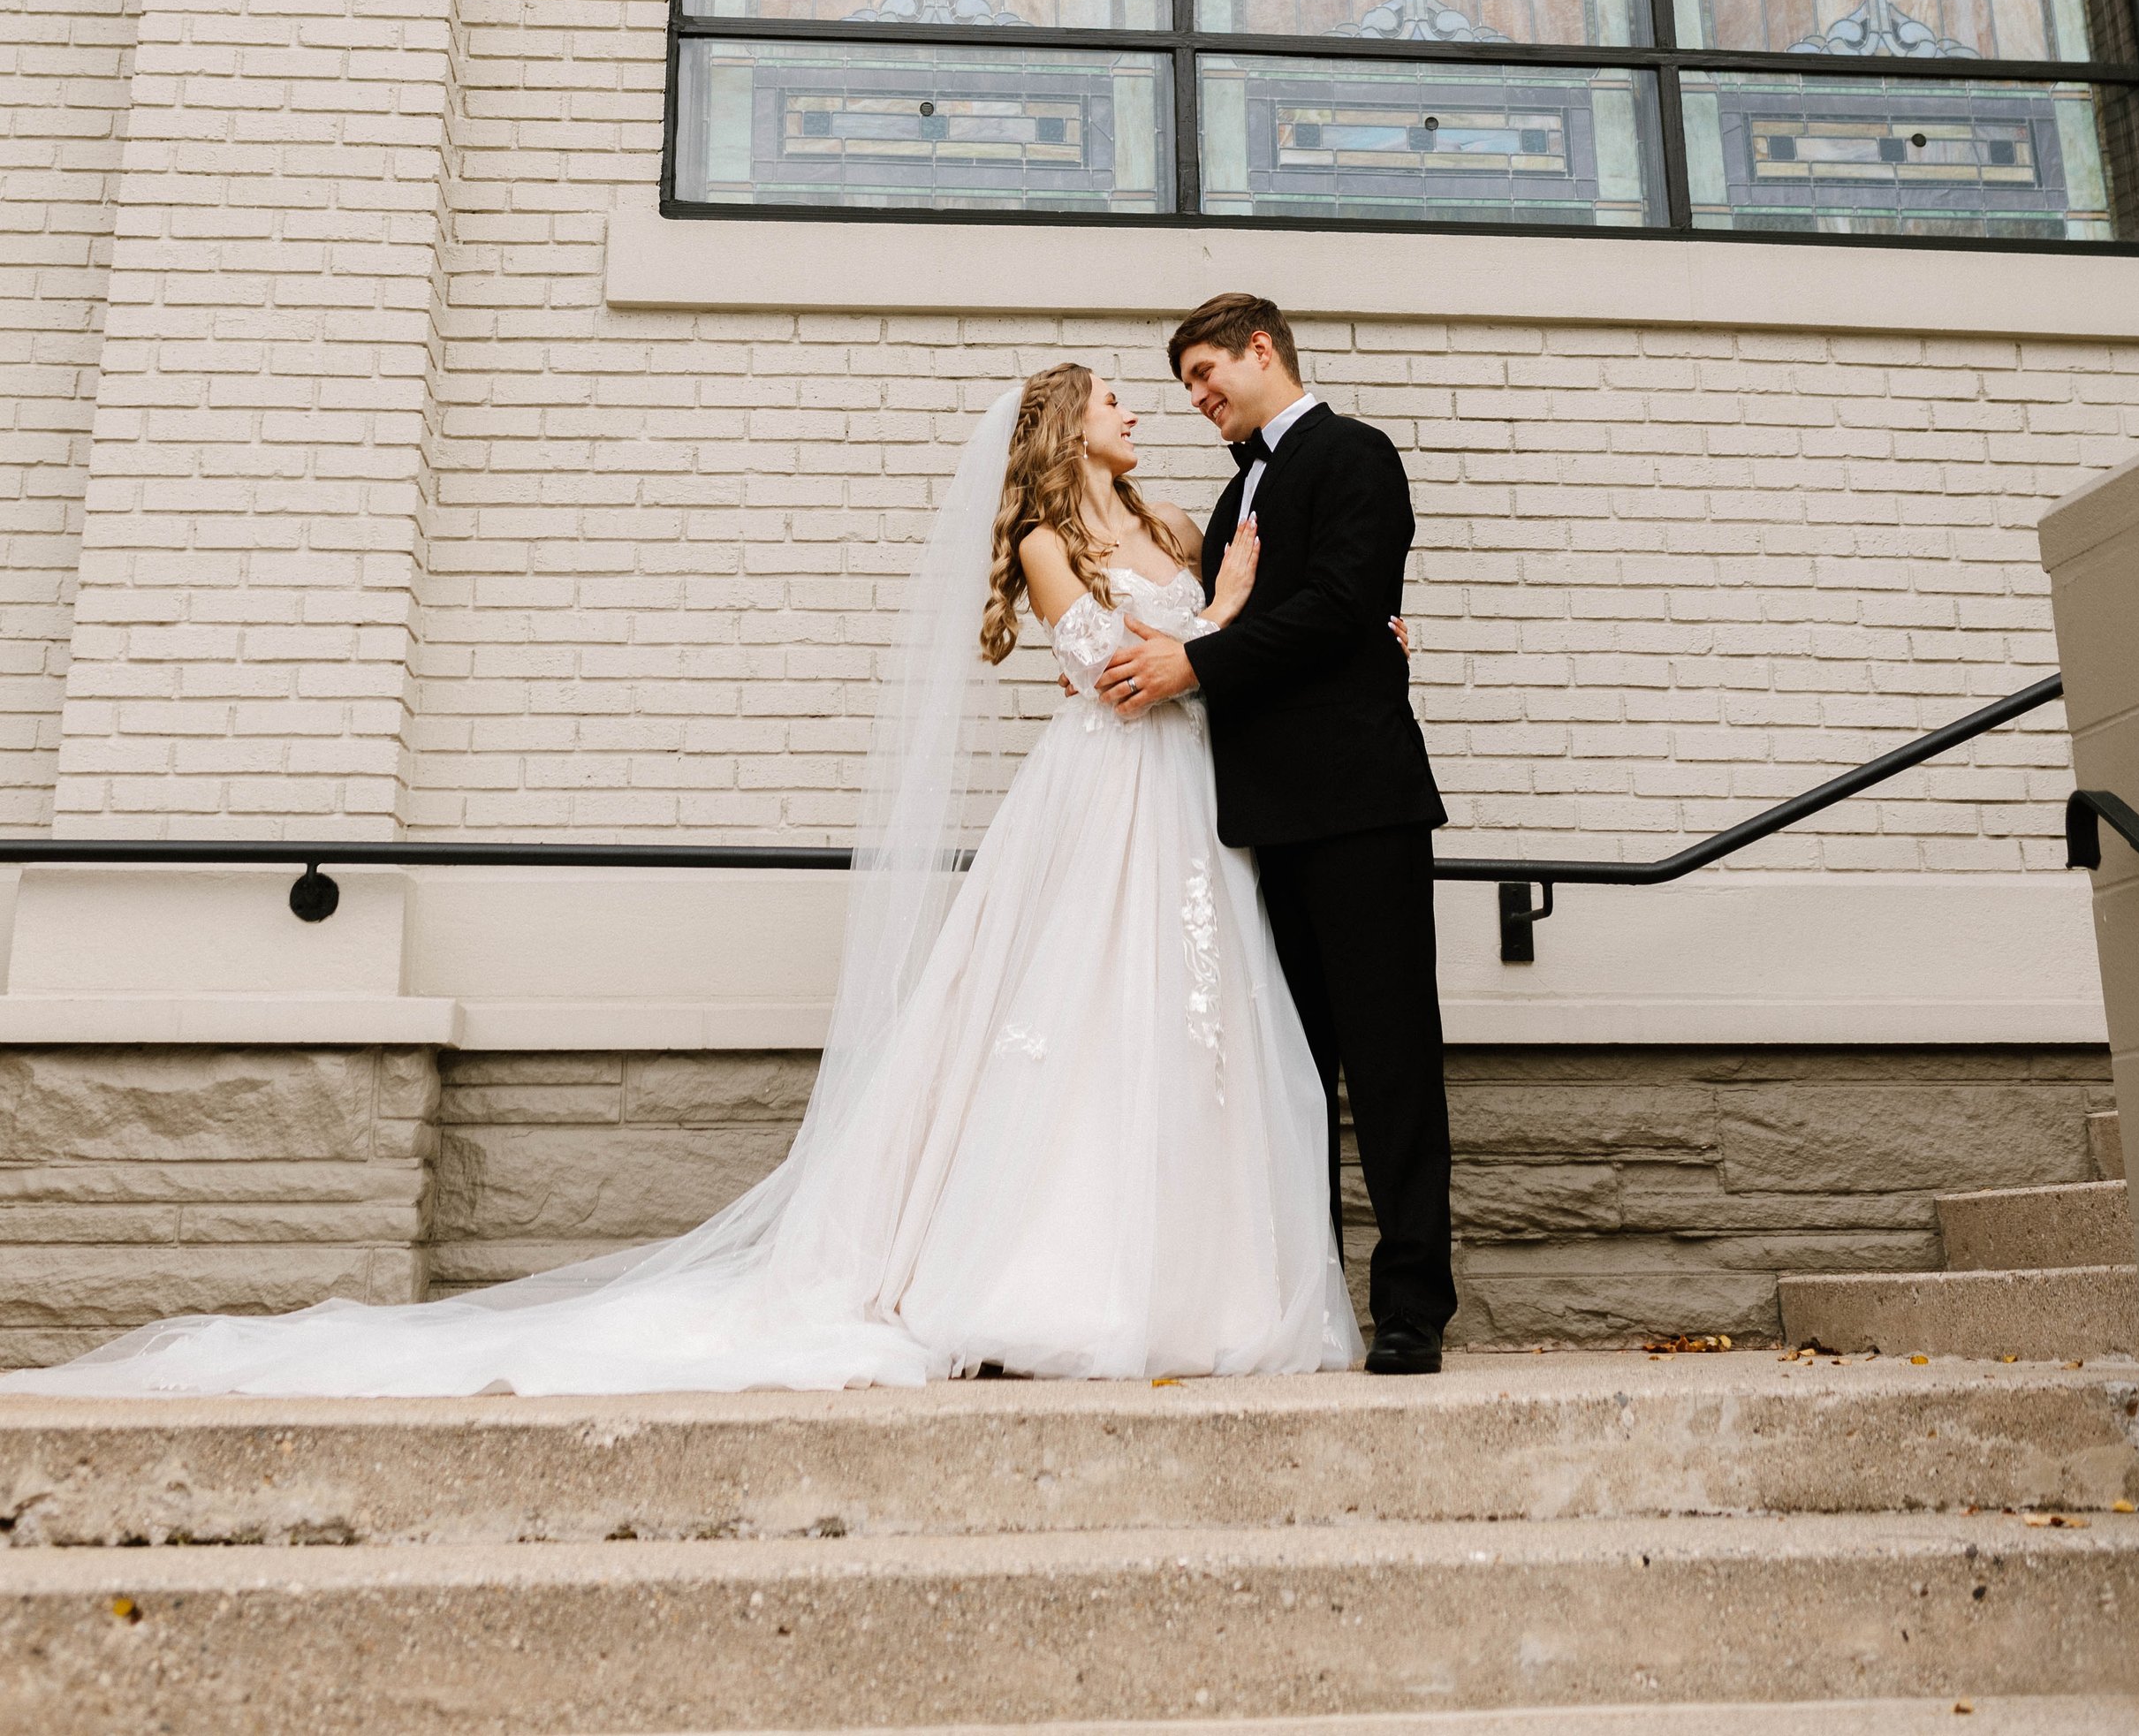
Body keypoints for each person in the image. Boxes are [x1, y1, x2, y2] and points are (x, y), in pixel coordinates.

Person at [3, 367, 1358, 1396]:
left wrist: (1246, 604)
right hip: (1101, 797)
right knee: (1069, 1018)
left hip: (1193, 811)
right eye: (1121, 399)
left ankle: (1203, 1281)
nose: (1143, 412)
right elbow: (1107, 678)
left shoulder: (1186, 524)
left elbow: (1226, 655)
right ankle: (1042, 1278)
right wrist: (1225, 614)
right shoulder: (1051, 545)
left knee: (1192, 1027)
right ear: (1069, 431)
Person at [1099, 293, 1455, 1375]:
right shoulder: (1232, 487)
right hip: (1257, 822)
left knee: (1389, 1063)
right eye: (1186, 387)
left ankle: (1409, 1308)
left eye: (1209, 374)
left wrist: (1196, 662)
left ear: (1264, 351)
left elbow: (1344, 604)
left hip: (1358, 805)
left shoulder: (1356, 454)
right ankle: (1310, 1304)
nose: (1199, 399)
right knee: (1289, 1076)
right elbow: (1233, 616)